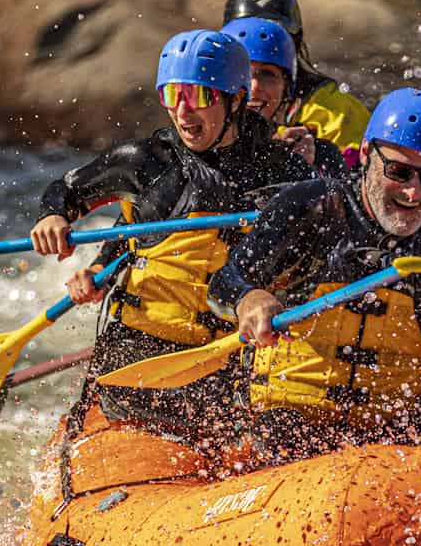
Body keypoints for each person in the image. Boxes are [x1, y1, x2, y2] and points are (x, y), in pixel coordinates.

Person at [207, 87, 421, 456]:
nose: (414, 193)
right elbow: (222, 285)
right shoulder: (307, 209)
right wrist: (247, 298)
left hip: (393, 447)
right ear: (366, 154)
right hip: (282, 428)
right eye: (399, 171)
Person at [28, 27, 314, 430]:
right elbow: (66, 190)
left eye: (198, 96)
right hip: (135, 360)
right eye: (172, 96)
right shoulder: (146, 162)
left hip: (230, 363)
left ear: (235, 100)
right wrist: (53, 217)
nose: (182, 112)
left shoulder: (283, 171)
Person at [223, 0, 371, 157]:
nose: (262, 46)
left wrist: (314, 162)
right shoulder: (206, 105)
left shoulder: (335, 113)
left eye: (278, 38)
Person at [222, 15, 349, 179]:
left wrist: (306, 171)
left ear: (286, 89)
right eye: (241, 72)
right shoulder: (191, 143)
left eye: (267, 74)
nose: (253, 87)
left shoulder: (313, 152)